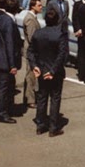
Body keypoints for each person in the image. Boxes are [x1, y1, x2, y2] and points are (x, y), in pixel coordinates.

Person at [27, 9, 69, 137]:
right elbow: (62, 55)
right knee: (55, 98)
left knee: (42, 98)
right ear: (57, 20)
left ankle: (40, 125)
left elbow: (30, 51)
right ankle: (53, 127)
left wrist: (35, 66)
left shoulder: (38, 33)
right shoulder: (60, 34)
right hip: (54, 72)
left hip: (41, 70)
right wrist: (53, 70)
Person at [0, 0, 23, 124]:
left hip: (1, 58)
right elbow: (10, 44)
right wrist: (12, 65)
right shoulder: (9, 22)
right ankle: (2, 114)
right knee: (3, 88)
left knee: (7, 87)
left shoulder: (2, 18)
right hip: (6, 61)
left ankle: (6, 109)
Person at [23, 0, 43, 108]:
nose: (41, 7)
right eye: (39, 5)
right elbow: (32, 38)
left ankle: (29, 97)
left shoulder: (32, 17)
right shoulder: (30, 20)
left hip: (32, 51)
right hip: (32, 52)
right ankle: (30, 100)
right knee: (30, 76)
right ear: (33, 6)